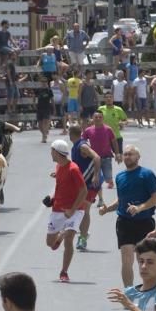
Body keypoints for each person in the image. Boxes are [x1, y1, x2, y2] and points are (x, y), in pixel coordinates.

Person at [99, 145, 156, 287]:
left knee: (146, 260)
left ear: (138, 157)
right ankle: (129, 293)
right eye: (125, 154)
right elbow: (121, 200)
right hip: (124, 222)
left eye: (131, 154)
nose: (127, 157)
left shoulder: (146, 174)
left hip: (144, 222)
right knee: (126, 259)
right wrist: (107, 209)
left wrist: (140, 208)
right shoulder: (120, 177)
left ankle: (150, 289)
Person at [45, 139, 89, 282]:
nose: (50, 153)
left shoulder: (73, 169)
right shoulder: (59, 166)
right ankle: (60, 235)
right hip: (58, 209)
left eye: (51, 151)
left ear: (57, 153)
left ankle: (64, 272)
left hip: (75, 210)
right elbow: (60, 186)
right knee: (50, 243)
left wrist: (72, 210)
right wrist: (51, 200)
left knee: (69, 239)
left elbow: (84, 191)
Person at [67, 125, 103, 253]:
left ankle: (83, 237)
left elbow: (97, 157)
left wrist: (96, 175)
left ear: (71, 134)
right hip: (82, 182)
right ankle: (82, 233)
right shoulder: (75, 146)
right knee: (81, 210)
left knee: (85, 209)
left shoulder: (82, 146)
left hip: (90, 183)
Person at [82, 109, 120, 192]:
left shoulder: (108, 129)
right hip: (95, 158)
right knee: (97, 178)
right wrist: (84, 152)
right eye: (96, 117)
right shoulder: (88, 130)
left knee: (107, 177)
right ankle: (99, 193)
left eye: (100, 117)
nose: (98, 119)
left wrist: (117, 153)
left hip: (107, 157)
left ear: (103, 118)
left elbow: (114, 142)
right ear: (93, 118)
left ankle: (110, 181)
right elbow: (82, 141)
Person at [35, 79, 54, 144]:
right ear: (40, 82)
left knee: (45, 122)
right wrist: (33, 104)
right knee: (40, 125)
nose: (44, 83)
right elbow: (34, 97)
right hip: (39, 108)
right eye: (42, 82)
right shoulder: (38, 90)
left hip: (47, 108)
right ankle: (45, 133)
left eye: (45, 82)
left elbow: (52, 99)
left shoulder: (49, 90)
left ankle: (44, 137)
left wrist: (54, 108)